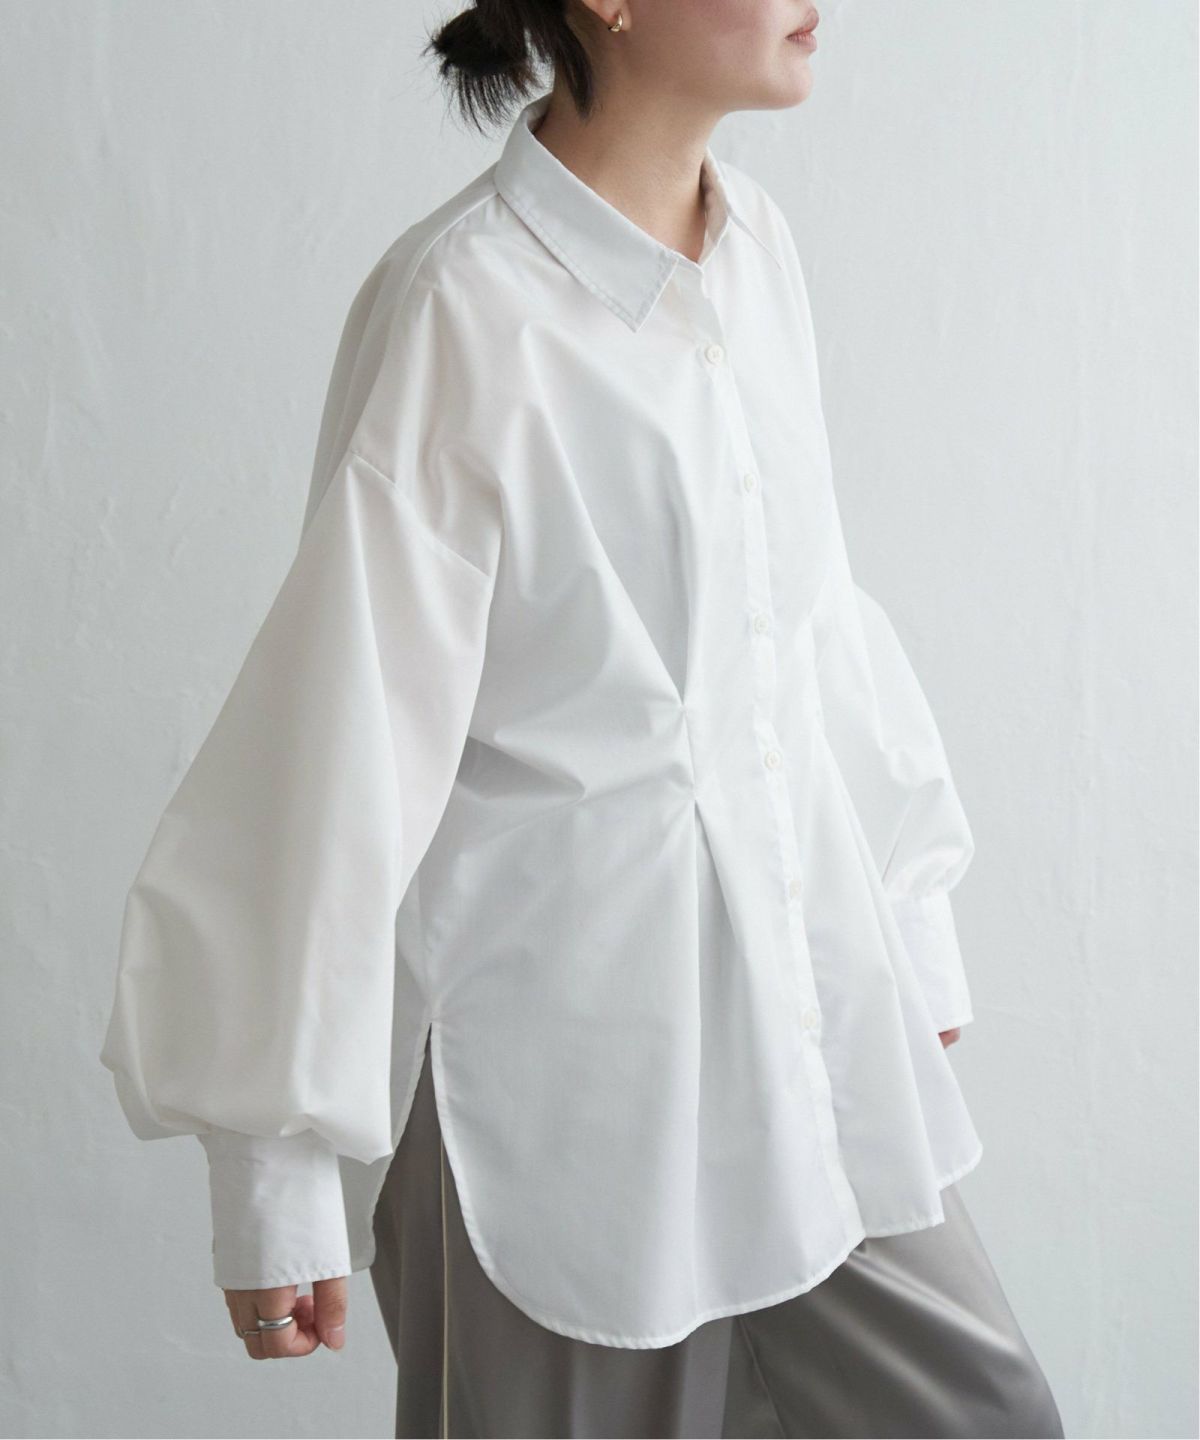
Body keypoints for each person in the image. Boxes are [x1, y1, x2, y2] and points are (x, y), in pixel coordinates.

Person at [99, 2, 1066, 1436]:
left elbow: (808, 623)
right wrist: (271, 1167)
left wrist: (907, 920)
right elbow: (338, 736)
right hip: (553, 1096)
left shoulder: (756, 251)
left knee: (988, 1413)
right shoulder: (461, 304)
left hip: (802, 1042)